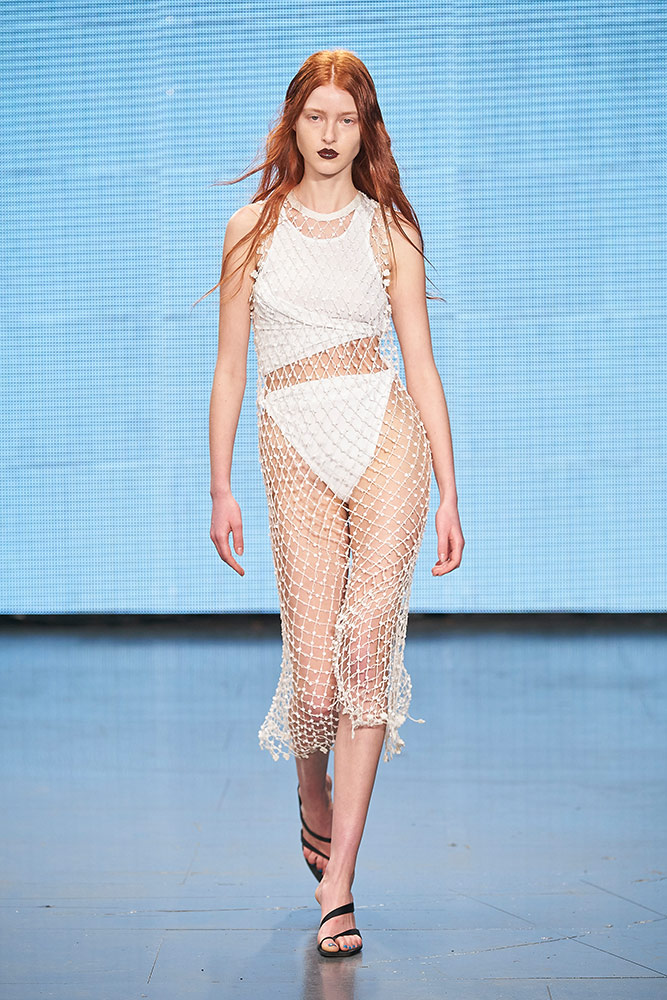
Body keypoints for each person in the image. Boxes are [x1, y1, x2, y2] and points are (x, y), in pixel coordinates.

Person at [203, 50, 464, 958]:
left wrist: (451, 490)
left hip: (386, 434)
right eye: (314, 116)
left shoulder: (391, 228)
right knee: (313, 683)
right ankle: (309, 791)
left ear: (365, 130)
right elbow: (230, 367)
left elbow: (419, 359)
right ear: (293, 122)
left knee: (367, 651)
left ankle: (339, 883)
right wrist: (220, 486)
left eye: (345, 119)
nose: (327, 134)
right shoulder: (250, 228)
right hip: (291, 438)